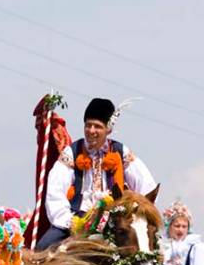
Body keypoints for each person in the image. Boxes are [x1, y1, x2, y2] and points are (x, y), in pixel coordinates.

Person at [37, 97, 156, 250]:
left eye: (97, 126)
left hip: (113, 221)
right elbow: (55, 191)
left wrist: (135, 215)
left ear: (109, 129)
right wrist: (68, 221)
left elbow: (146, 185)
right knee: (42, 247)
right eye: (88, 125)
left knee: (148, 251)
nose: (91, 131)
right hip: (77, 219)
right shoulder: (72, 152)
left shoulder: (120, 151)